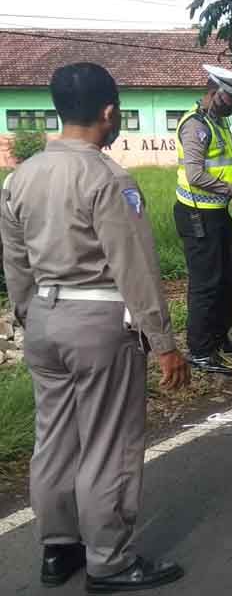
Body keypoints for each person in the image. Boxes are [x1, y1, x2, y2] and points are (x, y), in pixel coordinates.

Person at [0, 62, 190, 593]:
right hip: (100, 323)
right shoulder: (108, 178)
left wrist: (28, 314)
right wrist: (164, 343)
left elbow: (15, 263)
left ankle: (58, 549)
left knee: (55, 437)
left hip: (43, 319)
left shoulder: (21, 176)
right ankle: (110, 560)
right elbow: (134, 266)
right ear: (109, 112)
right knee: (109, 442)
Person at [174, 64, 232, 376]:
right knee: (206, 282)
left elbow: (226, 166)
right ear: (214, 93)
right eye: (230, 101)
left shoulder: (220, 123)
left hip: (218, 211)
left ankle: (219, 337)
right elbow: (196, 174)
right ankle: (199, 350)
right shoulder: (195, 126)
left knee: (230, 277)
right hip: (196, 213)